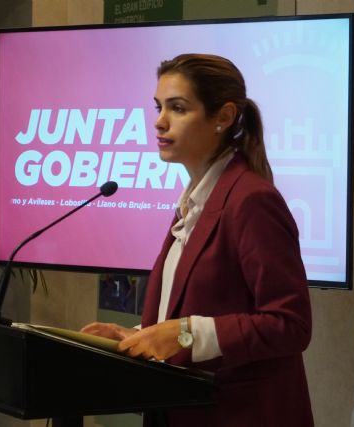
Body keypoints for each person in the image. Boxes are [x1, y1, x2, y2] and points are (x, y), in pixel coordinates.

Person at [81, 53, 314, 426]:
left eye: (177, 108)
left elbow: (290, 324)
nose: (159, 121)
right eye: (158, 107)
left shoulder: (252, 200)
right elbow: (199, 309)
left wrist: (186, 333)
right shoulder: (197, 202)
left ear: (223, 116)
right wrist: (140, 335)